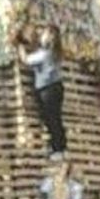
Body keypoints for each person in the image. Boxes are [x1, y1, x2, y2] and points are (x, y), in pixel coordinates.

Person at [24, 24, 67, 159]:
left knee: (51, 118)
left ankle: (57, 148)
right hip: (56, 87)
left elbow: (27, 60)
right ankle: (60, 147)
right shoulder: (55, 52)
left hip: (48, 89)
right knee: (55, 118)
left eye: (44, 33)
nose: (42, 35)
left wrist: (20, 48)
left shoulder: (45, 54)